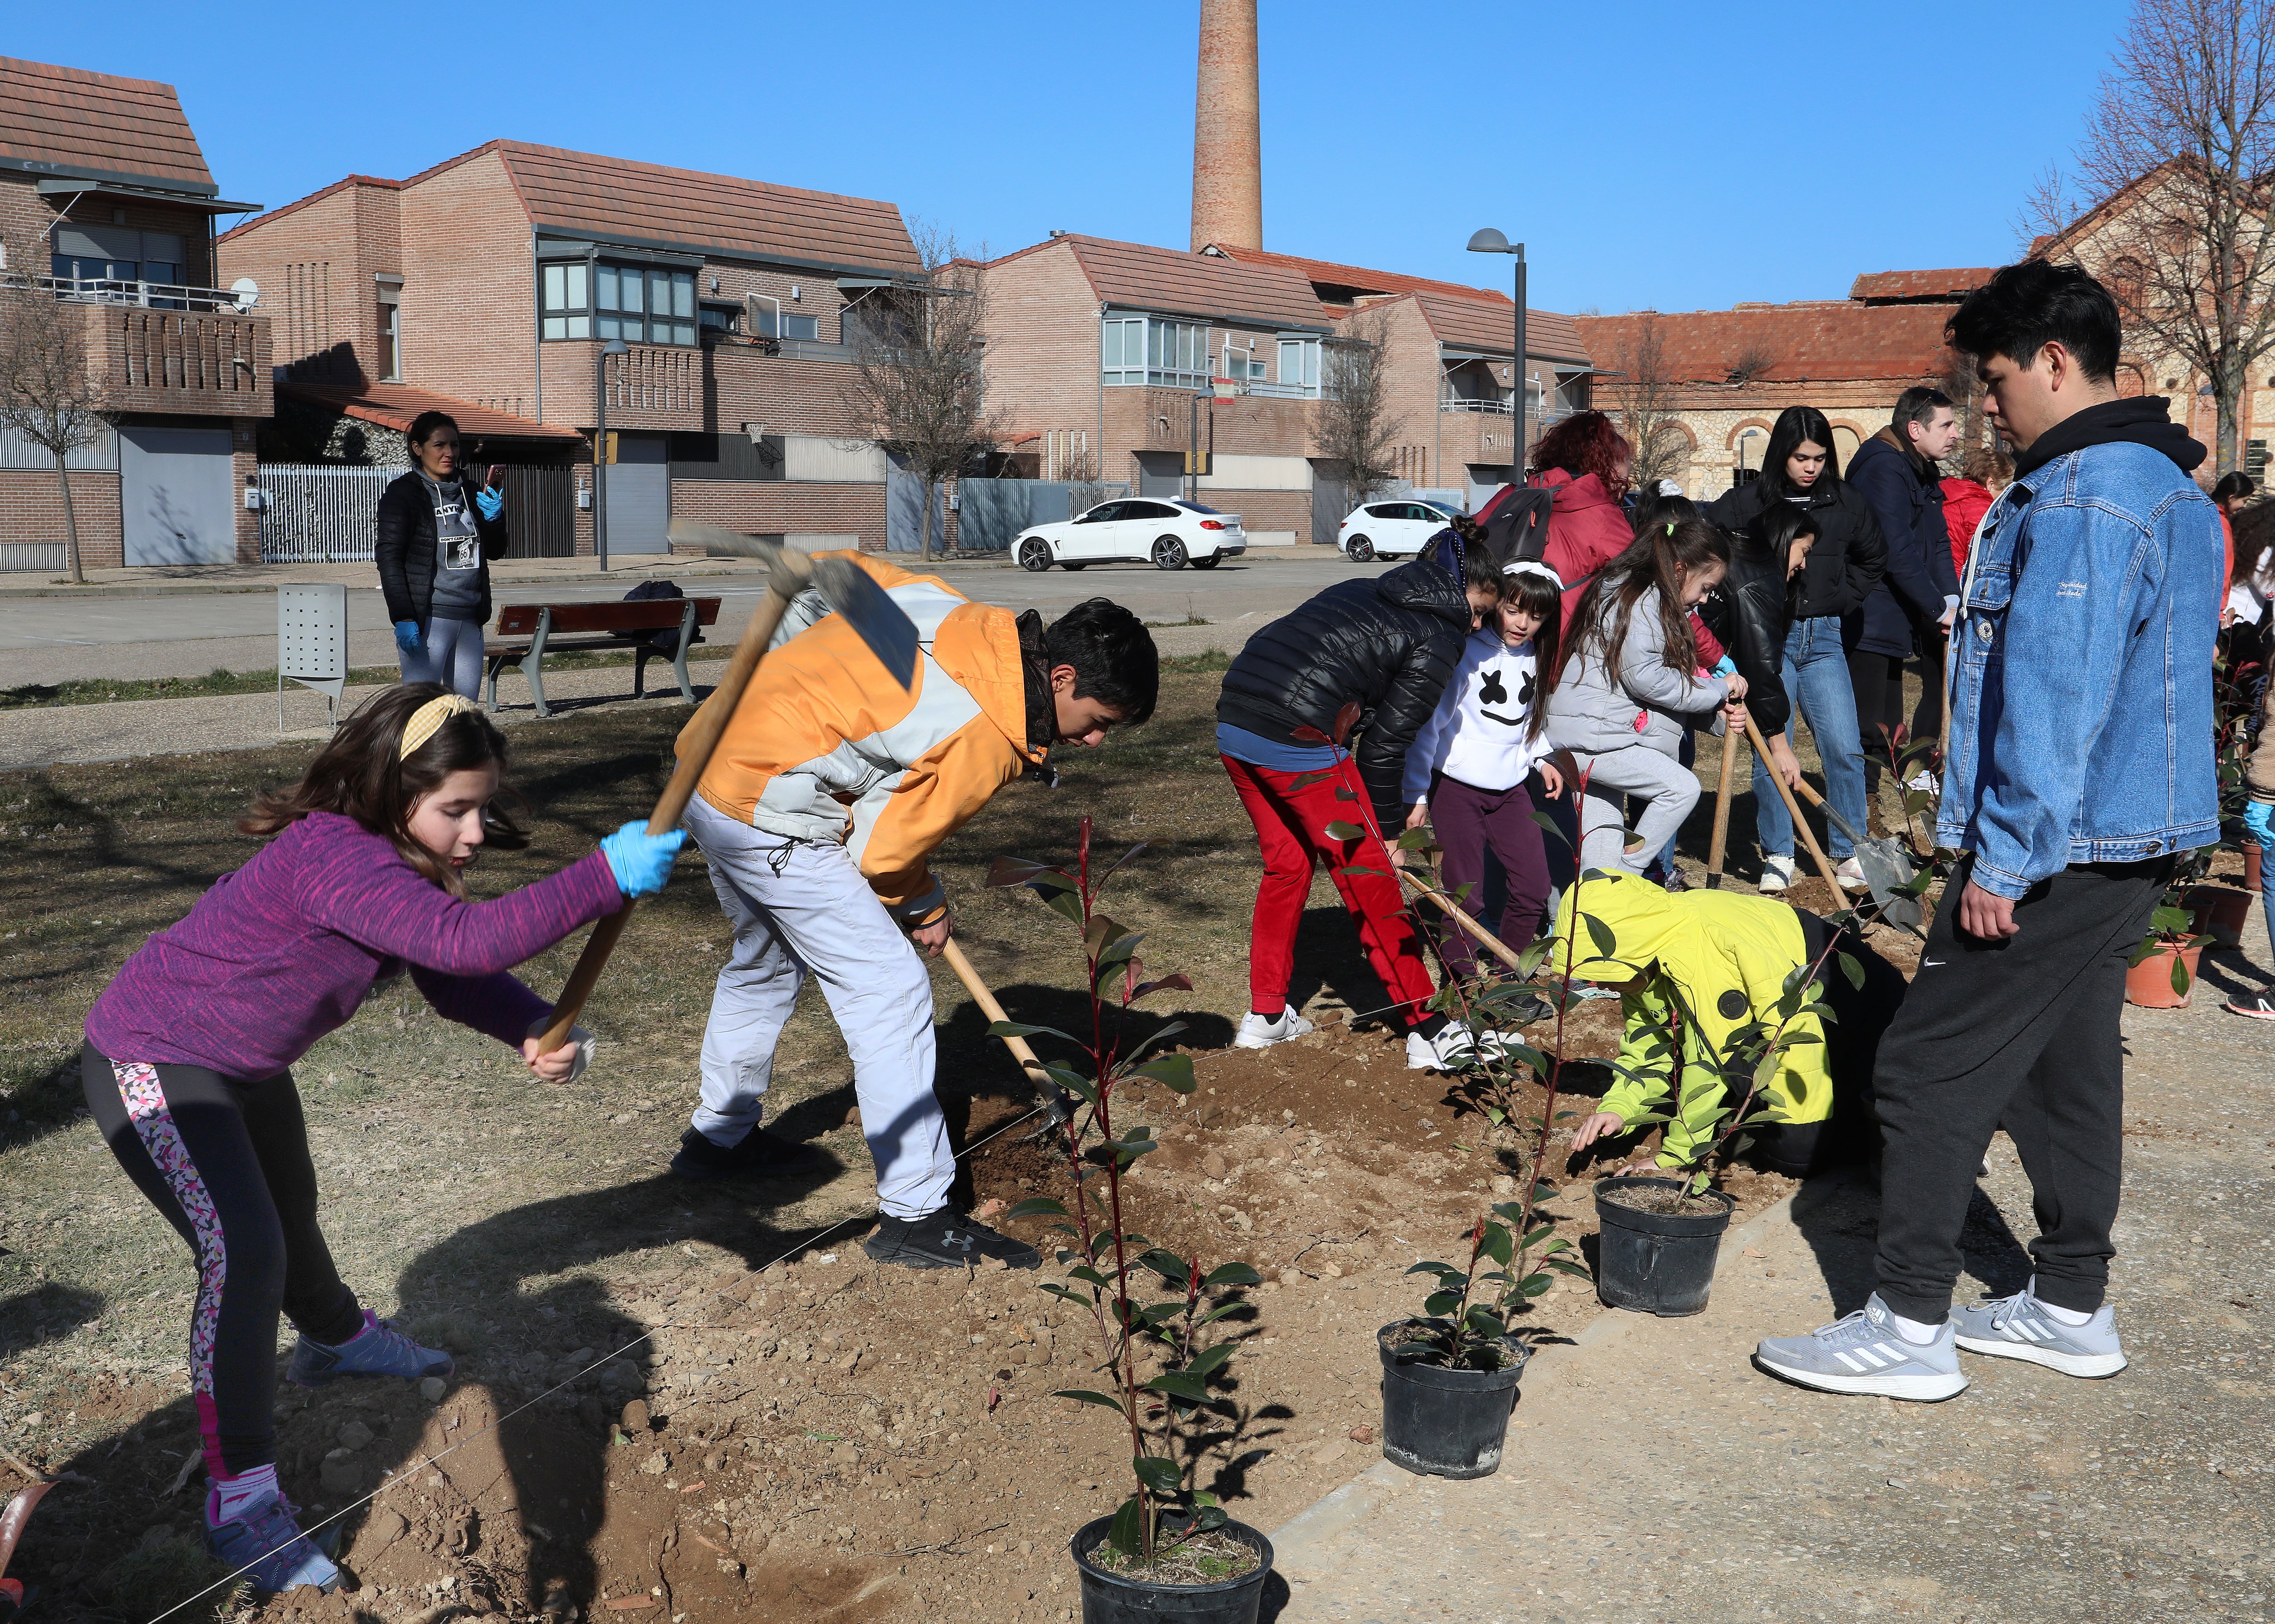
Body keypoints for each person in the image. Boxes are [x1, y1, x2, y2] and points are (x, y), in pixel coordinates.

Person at [80, 685, 685, 1592]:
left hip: (241, 1065)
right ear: (392, 787)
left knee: (291, 1216)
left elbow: (451, 972)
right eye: (457, 809)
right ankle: (240, 1502)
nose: (476, 830)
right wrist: (599, 874)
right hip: (153, 1058)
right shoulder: (334, 852)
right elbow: (469, 939)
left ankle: (333, 1339)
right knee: (244, 1250)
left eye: (483, 807)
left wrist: (530, 1022)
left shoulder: (397, 859)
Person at [1756, 259, 2220, 1401]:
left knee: (1921, 1065)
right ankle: (2068, 1302)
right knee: (2065, 1074)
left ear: (2055, 360)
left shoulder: (2082, 495)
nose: (1986, 404)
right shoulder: (2166, 484)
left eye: (1997, 375)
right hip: (2127, 838)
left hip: (2061, 843)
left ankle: (1905, 1319)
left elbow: (2058, 694)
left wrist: (2003, 857)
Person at [676, 556, 1158, 1271]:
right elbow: (882, 854)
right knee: (891, 989)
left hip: (709, 764)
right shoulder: (985, 736)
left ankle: (719, 1137)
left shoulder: (951, 611)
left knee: (765, 964)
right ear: (1062, 679)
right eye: (1098, 723)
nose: (1093, 742)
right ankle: (915, 1213)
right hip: (769, 812)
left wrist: (775, 689)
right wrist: (925, 904)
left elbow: (816, 577)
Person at [1218, 540, 1501, 1070]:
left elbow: (1359, 697)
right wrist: (1388, 831)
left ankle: (1266, 1015)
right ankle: (1430, 1029)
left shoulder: (1363, 588)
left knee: (1287, 865)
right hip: (1296, 739)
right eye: (1479, 610)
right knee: (1369, 881)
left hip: (1236, 716)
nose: (1475, 625)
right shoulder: (1440, 633)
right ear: (1459, 591)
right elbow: (1385, 745)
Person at [1557, 870, 1904, 1177]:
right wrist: (1618, 1108)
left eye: (1602, 975)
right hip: (1803, 1015)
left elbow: (1710, 1057)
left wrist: (1677, 1154)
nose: (1599, 986)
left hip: (1861, 1007)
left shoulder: (1698, 947)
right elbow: (1648, 1049)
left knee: (1797, 1155)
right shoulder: (1641, 959)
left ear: (1632, 948)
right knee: (1739, 1125)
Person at [1707, 407, 1887, 893]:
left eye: (1819, 458)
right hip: (1768, 636)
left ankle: (1848, 851)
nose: (1810, 467)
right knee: (1770, 746)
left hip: (1824, 638)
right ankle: (1778, 852)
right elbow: (1709, 547)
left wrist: (1839, 598)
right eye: (1800, 457)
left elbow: (1873, 557)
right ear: (1780, 454)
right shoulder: (1745, 502)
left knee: (1843, 747)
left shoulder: (1846, 501)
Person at [1545, 517, 1744, 875]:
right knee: (1681, 788)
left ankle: (1602, 897)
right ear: (1680, 569)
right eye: (1705, 588)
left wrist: (1716, 715)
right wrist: (1718, 688)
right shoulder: (1641, 600)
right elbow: (1649, 681)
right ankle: (1628, 875)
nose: (1703, 600)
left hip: (1597, 736)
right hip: (1594, 741)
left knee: (1598, 865)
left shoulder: (1647, 598)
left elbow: (1651, 692)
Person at [1403, 560, 1567, 975]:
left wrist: (1540, 756)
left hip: (1512, 789)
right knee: (1465, 896)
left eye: (1536, 616)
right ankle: (1459, 987)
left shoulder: (1536, 654)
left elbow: (1524, 718)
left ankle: (1506, 975)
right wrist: (1418, 794)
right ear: (1497, 604)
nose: (1523, 623)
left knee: (1532, 888)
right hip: (1456, 787)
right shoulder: (1465, 653)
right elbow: (1430, 729)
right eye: (1514, 610)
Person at [1845, 389, 1963, 795]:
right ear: (1915, 428)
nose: (1956, 434)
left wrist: (1952, 600)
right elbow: (1896, 548)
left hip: (1895, 620)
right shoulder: (1883, 468)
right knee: (1870, 730)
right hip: (1871, 617)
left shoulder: (1919, 468)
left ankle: (1879, 817)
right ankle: (1861, 819)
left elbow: (1939, 543)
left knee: (1891, 732)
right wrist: (1935, 608)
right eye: (1946, 425)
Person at [376, 411, 506, 701]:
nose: (449, 453)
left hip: (471, 619)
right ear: (418, 448)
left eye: (455, 445)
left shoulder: (472, 491)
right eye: (439, 445)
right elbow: (389, 559)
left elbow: (496, 551)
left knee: (465, 711)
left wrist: (495, 519)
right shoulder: (403, 495)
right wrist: (403, 617)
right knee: (421, 709)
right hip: (429, 620)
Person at [1701, 504, 1816, 801]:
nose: (1804, 564)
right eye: (1805, 551)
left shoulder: (1741, 554)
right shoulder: (1759, 574)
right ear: (1786, 539)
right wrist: (1779, 745)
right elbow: (1760, 663)